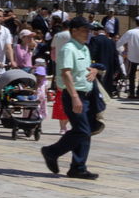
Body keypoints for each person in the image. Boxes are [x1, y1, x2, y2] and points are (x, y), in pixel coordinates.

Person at [40, 16, 100, 180]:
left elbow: (87, 67)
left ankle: (78, 167)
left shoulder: (84, 48)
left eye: (89, 30)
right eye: (84, 30)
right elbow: (65, 73)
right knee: (82, 130)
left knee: (85, 132)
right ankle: (52, 151)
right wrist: (74, 97)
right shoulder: (68, 48)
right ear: (74, 31)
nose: (88, 33)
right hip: (73, 94)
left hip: (86, 95)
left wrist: (94, 70)